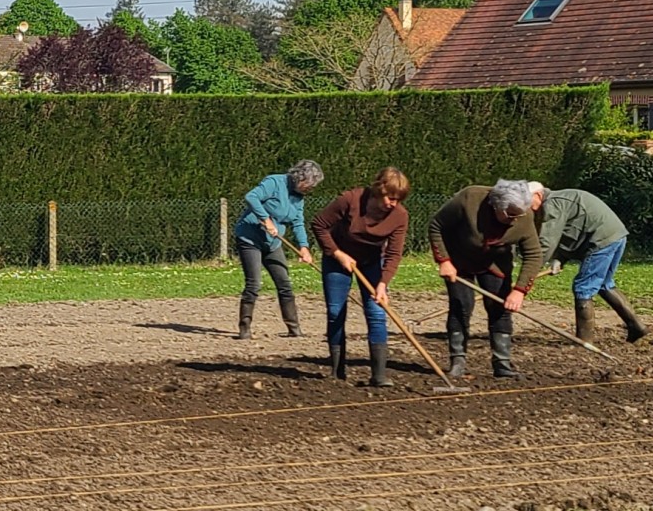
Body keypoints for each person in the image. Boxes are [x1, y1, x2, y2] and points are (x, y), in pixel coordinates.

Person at [429, 178, 551, 379]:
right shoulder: (469, 199)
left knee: (500, 309)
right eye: (510, 215)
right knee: (461, 305)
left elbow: (533, 254)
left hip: (495, 264)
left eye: (518, 215)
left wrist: (519, 290)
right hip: (459, 259)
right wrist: (444, 260)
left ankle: (502, 363)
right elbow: (436, 226)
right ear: (496, 205)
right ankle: (457, 361)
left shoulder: (524, 216)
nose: (514, 219)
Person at [314, 166, 411, 386]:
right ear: (379, 190)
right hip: (337, 260)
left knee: (377, 312)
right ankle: (337, 372)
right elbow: (319, 225)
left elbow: (394, 253)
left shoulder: (399, 216)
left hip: (371, 262)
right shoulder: (350, 200)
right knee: (335, 312)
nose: (392, 203)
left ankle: (379, 376)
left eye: (397, 199)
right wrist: (338, 254)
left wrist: (383, 284)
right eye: (389, 198)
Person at [535, 185, 647, 344]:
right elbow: (571, 231)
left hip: (602, 240)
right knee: (605, 284)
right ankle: (637, 327)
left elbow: (547, 242)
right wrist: (559, 259)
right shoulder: (562, 199)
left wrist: (531, 271)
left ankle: (584, 340)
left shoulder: (553, 204)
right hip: (616, 235)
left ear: (538, 195)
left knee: (583, 287)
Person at [234, 159, 322, 340]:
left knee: (284, 284)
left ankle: (294, 328)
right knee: (254, 283)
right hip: (250, 239)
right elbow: (251, 197)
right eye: (309, 184)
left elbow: (297, 222)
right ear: (300, 177)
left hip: (273, 244)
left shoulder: (298, 197)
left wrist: (304, 247)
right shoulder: (274, 182)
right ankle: (245, 329)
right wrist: (265, 220)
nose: (310, 189)